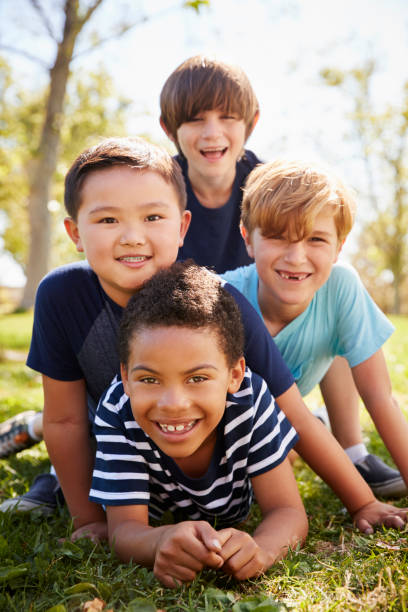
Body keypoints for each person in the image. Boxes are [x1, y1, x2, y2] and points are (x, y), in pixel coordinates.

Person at [1, 138, 407, 538]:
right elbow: (66, 419)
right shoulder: (61, 295)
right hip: (109, 440)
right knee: (73, 445)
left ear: (182, 227)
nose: (132, 237)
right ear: (74, 232)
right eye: (108, 220)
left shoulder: (218, 302)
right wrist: (89, 520)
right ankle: (50, 478)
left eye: (152, 218)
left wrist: (362, 502)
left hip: (192, 448)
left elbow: (294, 414)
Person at [90, 261, 308, 587]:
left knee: (283, 457)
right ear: (125, 377)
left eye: (197, 377)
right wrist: (159, 541)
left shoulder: (249, 400)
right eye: (149, 379)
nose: (174, 403)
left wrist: (263, 549)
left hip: (240, 483)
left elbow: (287, 512)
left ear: (234, 375)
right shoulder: (118, 410)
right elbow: (123, 531)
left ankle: (285, 447)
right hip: (153, 500)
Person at [222, 158, 408, 499]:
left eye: (316, 240)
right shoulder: (224, 298)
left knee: (340, 329)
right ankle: (310, 431)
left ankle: (350, 451)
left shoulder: (340, 286)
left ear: (340, 246)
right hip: (232, 440)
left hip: (287, 419)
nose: (296, 257)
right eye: (278, 237)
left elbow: (380, 396)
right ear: (248, 239)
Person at [159, 55, 260, 273]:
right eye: (195, 119)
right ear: (168, 128)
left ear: (251, 122)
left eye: (227, 117)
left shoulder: (274, 189)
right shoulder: (154, 190)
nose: (212, 134)